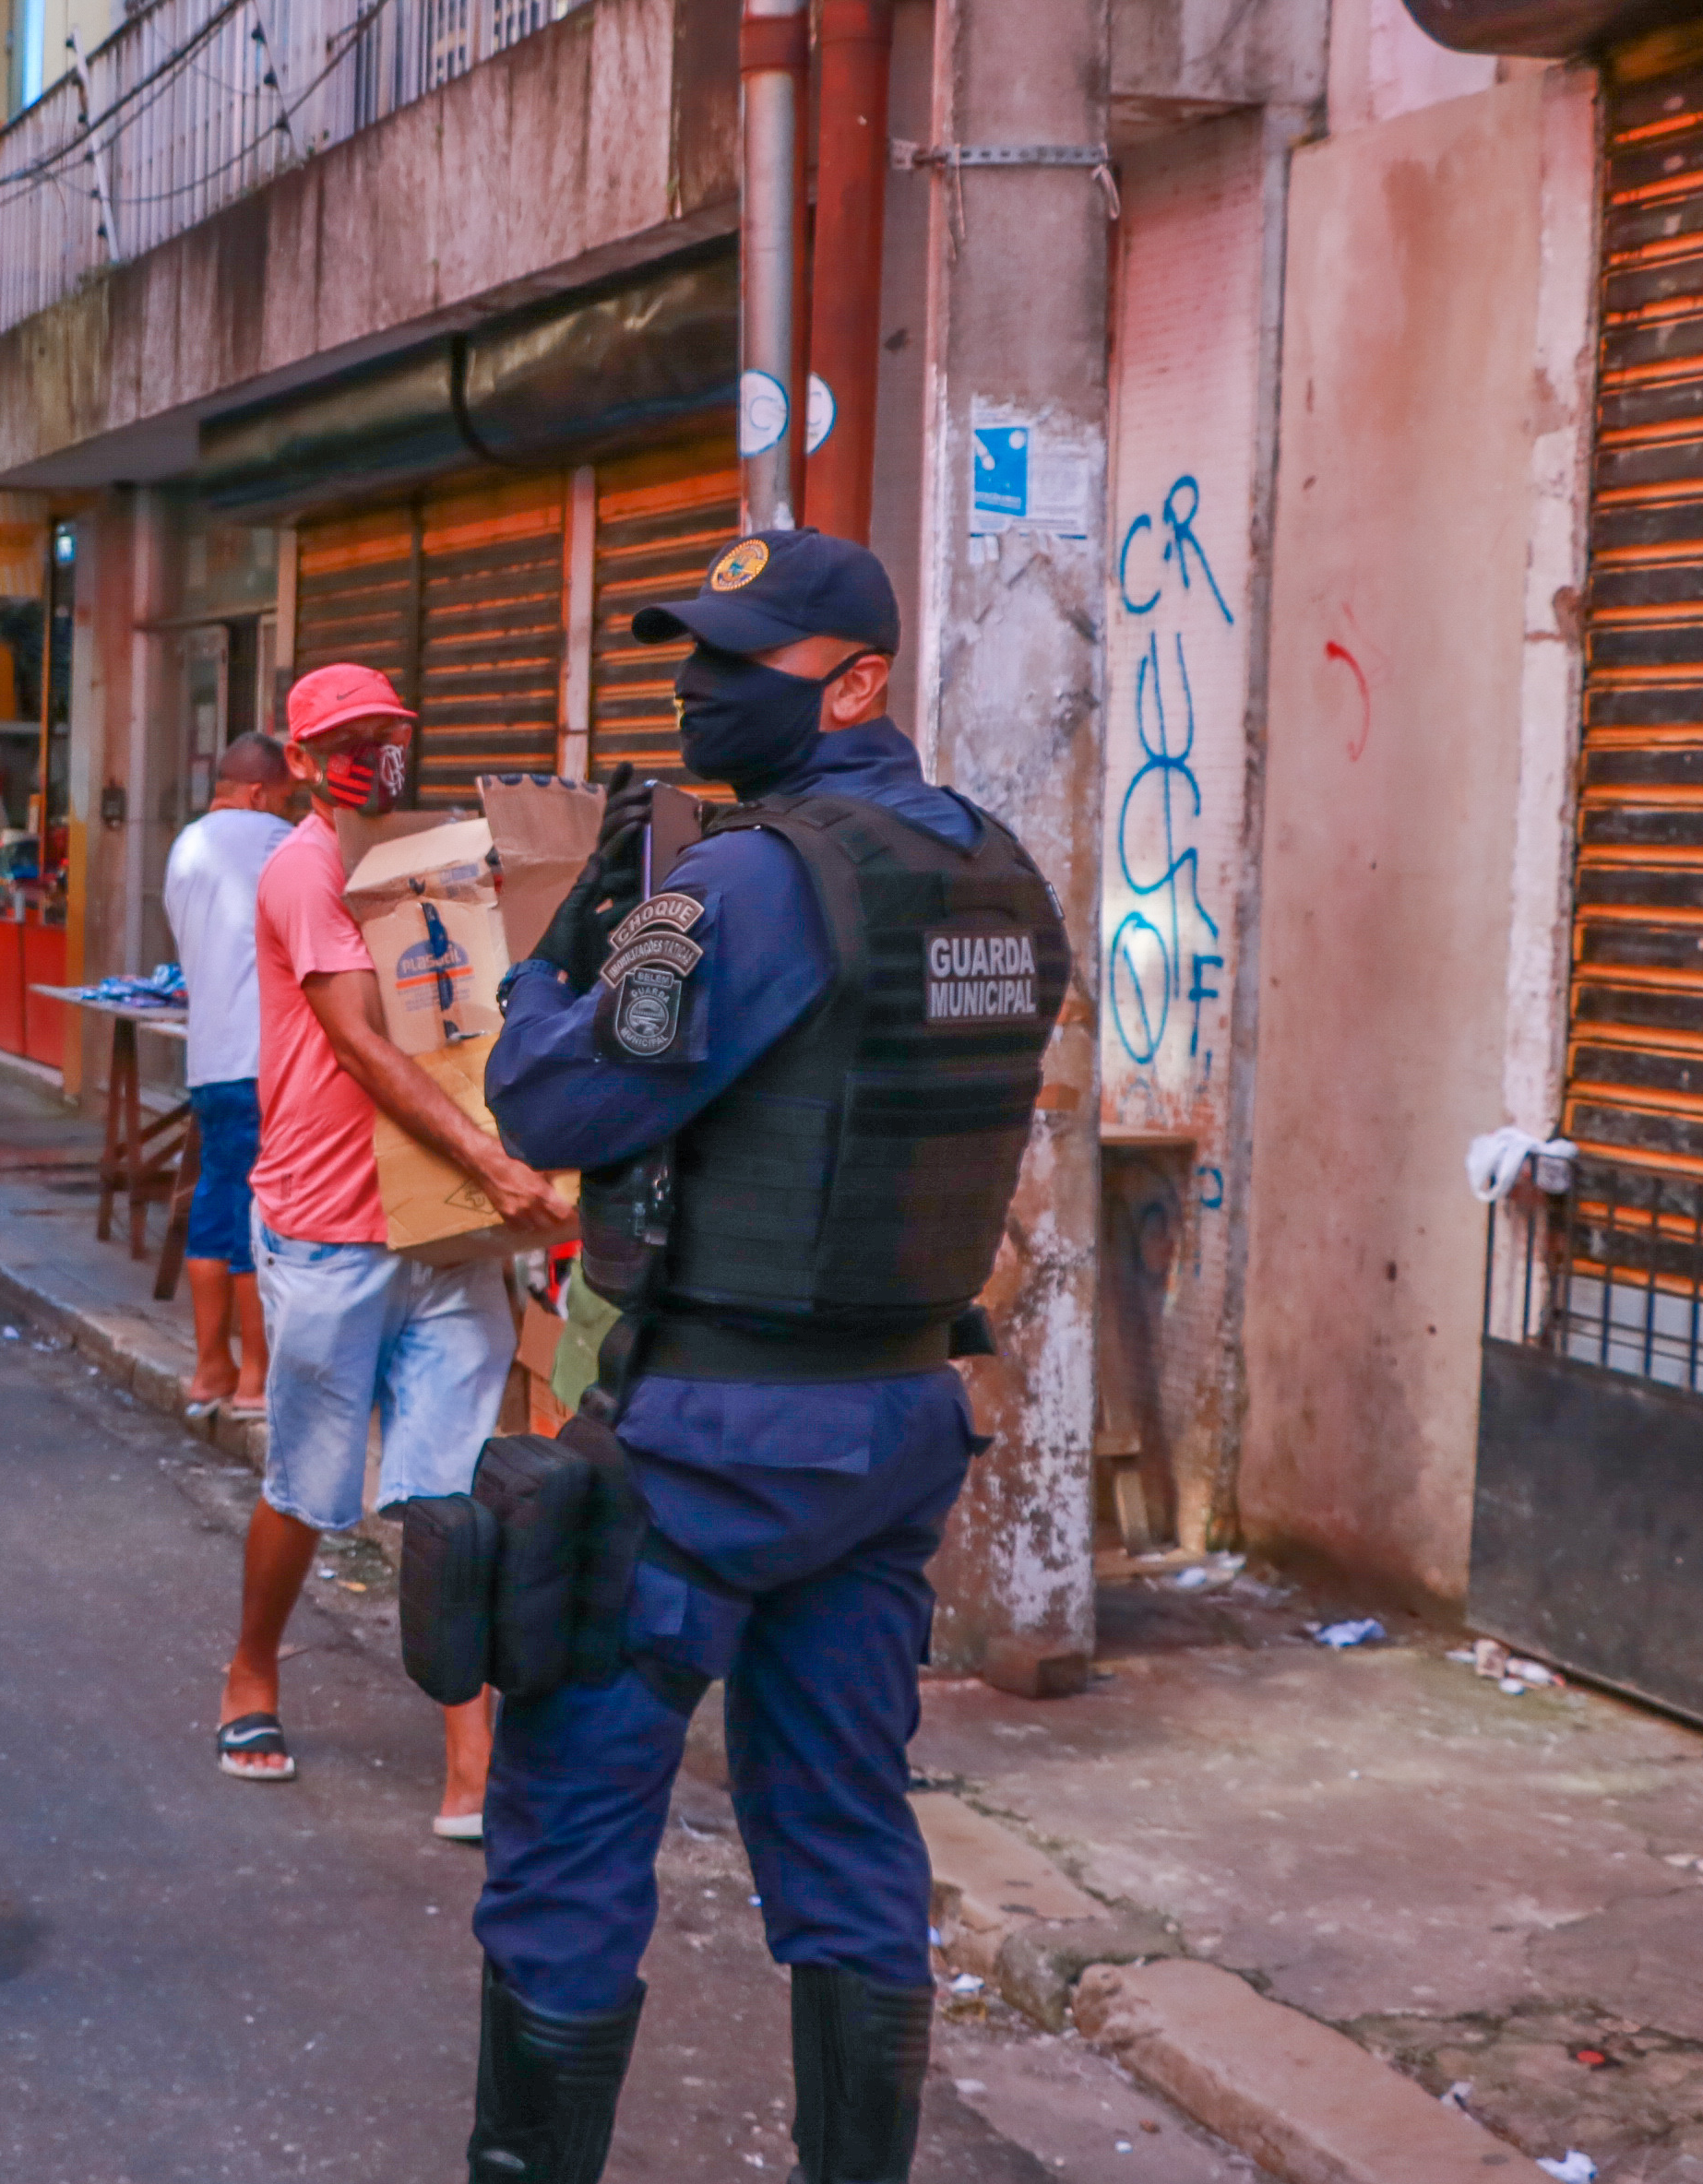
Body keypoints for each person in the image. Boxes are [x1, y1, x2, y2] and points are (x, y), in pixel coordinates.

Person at [463, 529, 1069, 2184]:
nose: (697, 691)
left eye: (739, 666)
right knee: (841, 1823)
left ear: (858, 680)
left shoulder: (743, 880)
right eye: (695, 657)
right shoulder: (1001, 875)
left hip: (714, 1432)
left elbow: (559, 1103)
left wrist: (543, 975)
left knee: (570, 1825)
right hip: (893, 1420)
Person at [211, 663, 570, 1834]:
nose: (374, 753)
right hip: (332, 1223)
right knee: (311, 1483)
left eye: (389, 733)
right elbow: (362, 1044)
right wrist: (499, 1164)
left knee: (450, 1492)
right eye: (348, 739)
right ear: (304, 762)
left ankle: (471, 1764)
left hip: (450, 1226)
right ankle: (251, 1670)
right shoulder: (305, 869)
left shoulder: (437, 863)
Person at [161, 730, 296, 1424]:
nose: (291, 813)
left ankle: (210, 1367)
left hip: (210, 1060)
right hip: (263, 1059)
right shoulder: (275, 840)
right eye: (285, 798)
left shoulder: (186, 845)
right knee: (259, 1211)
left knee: (216, 1202)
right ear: (257, 791)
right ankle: (256, 1374)